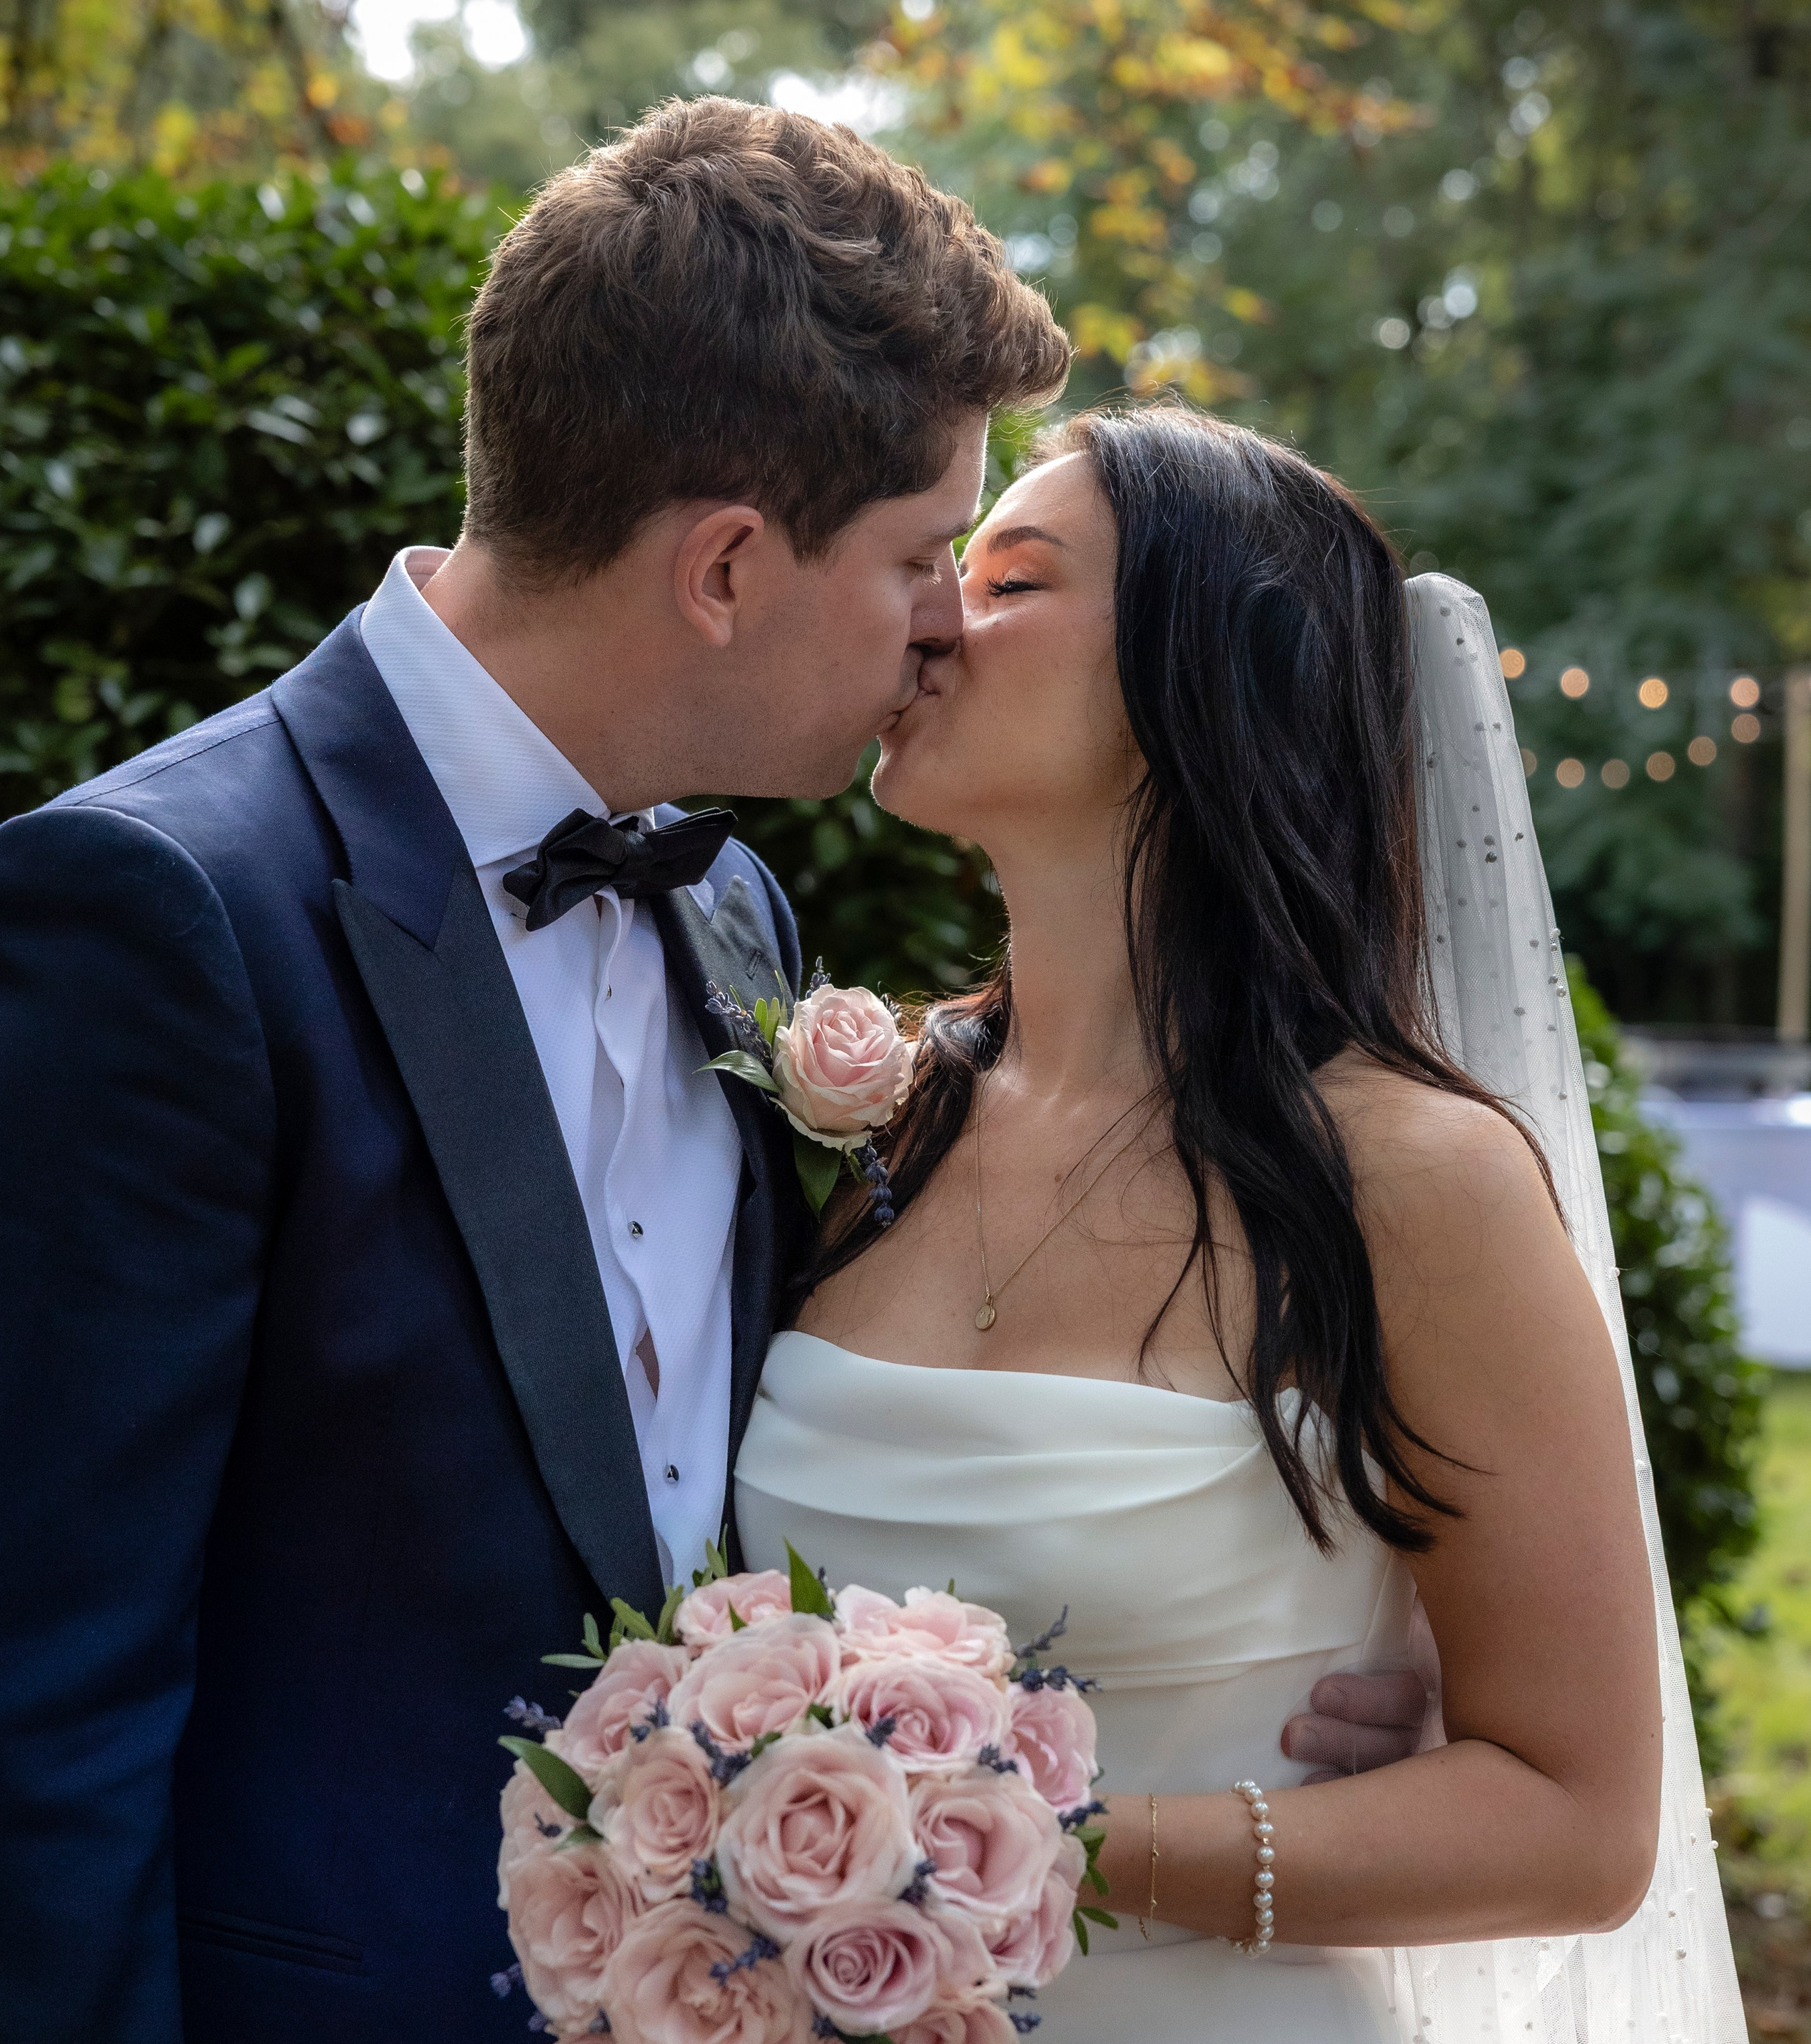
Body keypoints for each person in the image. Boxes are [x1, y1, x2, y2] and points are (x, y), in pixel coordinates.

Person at [0, 106, 1405, 2044]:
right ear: (729, 566)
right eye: (925, 553)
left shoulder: (734, 912)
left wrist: (1302, 1663)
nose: (941, 625)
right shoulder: (158, 915)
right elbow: (34, 1700)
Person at [734, 405, 1746, 2041]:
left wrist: (1039, 1848)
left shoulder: (1414, 1181)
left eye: (1010, 578)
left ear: (1192, 683)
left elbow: (1576, 1819)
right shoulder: (873, 1122)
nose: (928, 613)